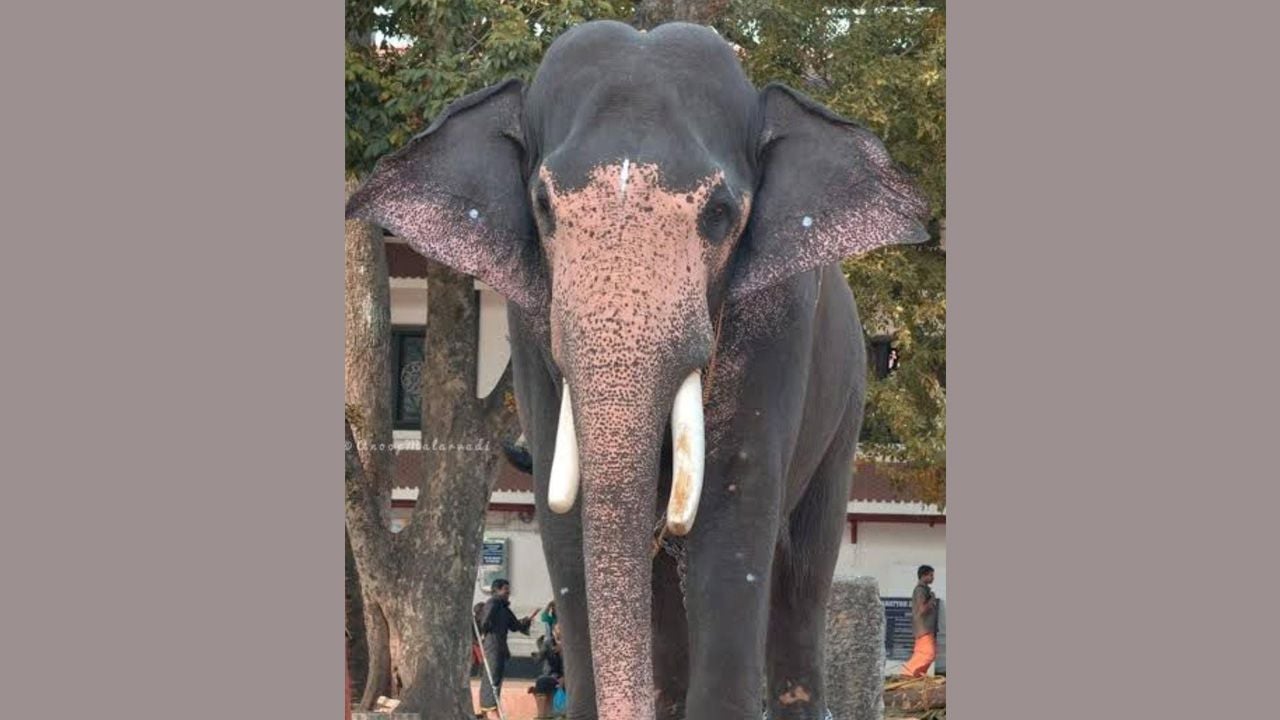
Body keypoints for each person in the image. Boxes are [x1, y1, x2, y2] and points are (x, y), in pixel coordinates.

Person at [475, 579, 537, 719]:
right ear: (496, 590)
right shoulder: (493, 603)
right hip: (493, 648)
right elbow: (484, 622)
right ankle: (489, 711)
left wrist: (526, 621)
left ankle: (491, 710)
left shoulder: (503, 608)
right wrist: (486, 632)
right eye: (505, 590)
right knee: (492, 680)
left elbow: (515, 625)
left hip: (501, 649)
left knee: (496, 681)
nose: (508, 593)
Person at [902, 564, 939, 677]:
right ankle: (907, 673)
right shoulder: (920, 590)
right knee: (928, 654)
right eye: (931, 575)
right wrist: (932, 599)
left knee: (921, 653)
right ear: (923, 576)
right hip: (924, 629)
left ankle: (916, 676)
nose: (933, 578)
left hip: (924, 629)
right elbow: (922, 609)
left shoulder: (923, 590)